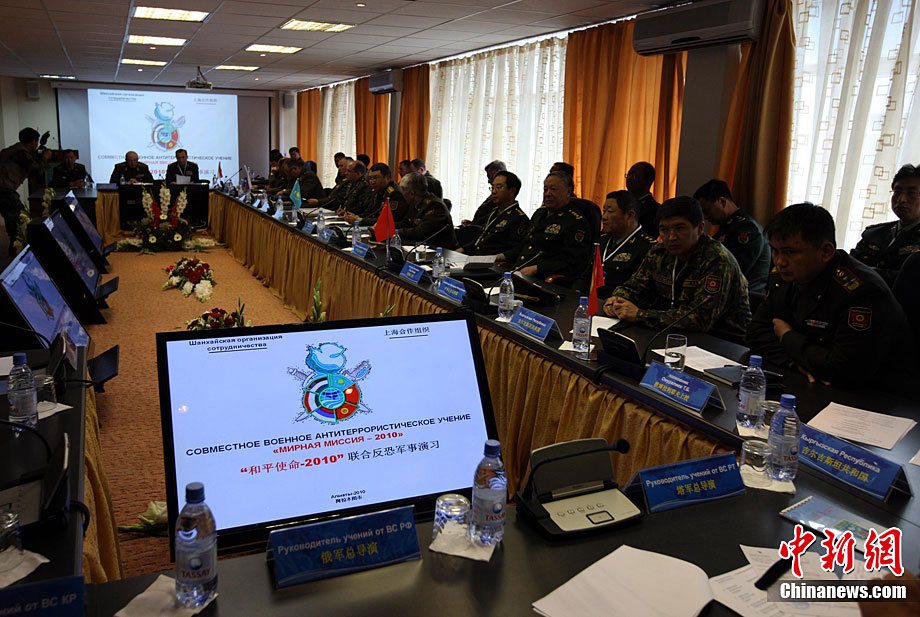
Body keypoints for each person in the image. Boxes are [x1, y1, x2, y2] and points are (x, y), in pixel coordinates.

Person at [747, 202, 914, 389]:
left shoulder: (861, 292)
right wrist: (794, 363)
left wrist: (786, 335)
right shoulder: (785, 276)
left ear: (826, 252)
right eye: (775, 251)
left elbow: (843, 368)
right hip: (813, 380)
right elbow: (755, 333)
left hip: (876, 394)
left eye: (790, 252)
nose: (779, 261)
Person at [607, 196, 751, 340]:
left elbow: (700, 319)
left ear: (700, 228)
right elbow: (634, 287)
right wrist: (617, 300)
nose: (671, 237)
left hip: (720, 340)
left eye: (680, 228)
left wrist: (640, 315)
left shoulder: (716, 259)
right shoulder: (659, 252)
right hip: (668, 332)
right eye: (664, 230)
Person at [497, 171, 592, 280]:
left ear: (568, 191)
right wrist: (500, 257)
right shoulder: (540, 214)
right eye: (545, 189)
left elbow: (575, 263)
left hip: (541, 280)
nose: (547, 194)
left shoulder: (575, 222)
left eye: (553, 189)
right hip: (517, 274)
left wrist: (538, 268)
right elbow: (524, 246)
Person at [693, 179, 770, 295]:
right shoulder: (728, 226)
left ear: (722, 201)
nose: (705, 217)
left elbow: (733, 268)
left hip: (747, 296)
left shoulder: (747, 228)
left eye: (707, 211)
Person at [573, 190, 656, 295]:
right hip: (589, 300)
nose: (604, 217)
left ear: (629, 215)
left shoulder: (647, 247)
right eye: (604, 211)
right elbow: (586, 276)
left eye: (610, 211)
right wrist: (575, 294)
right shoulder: (602, 240)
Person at [850, 163, 920, 287]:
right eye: (897, 192)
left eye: (911, 193)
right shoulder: (873, 234)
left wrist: (868, 273)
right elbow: (848, 266)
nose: (902, 199)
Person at [458, 171, 529, 255]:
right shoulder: (493, 212)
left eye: (498, 187)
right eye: (492, 187)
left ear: (512, 191)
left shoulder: (519, 218)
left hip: (494, 261)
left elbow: (516, 250)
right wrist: (459, 251)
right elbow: (480, 240)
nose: (494, 191)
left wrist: (497, 258)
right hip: (477, 258)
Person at [0, 127, 43, 254]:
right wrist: (45, 157)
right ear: (33, 142)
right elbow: (37, 170)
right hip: (4, 190)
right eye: (36, 142)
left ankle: (15, 246)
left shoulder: (10, 150)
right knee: (22, 218)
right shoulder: (21, 153)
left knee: (12, 218)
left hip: (4, 189)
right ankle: (18, 249)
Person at [394, 172, 457, 249]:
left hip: (442, 251)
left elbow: (421, 233)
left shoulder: (435, 206)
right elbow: (406, 223)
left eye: (403, 191)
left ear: (411, 194)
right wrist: (387, 227)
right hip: (422, 247)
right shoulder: (414, 203)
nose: (402, 194)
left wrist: (394, 232)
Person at [344, 163, 408, 228]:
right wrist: (354, 217)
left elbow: (388, 220)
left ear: (387, 177)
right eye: (370, 178)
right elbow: (370, 213)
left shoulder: (394, 193)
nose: (372, 182)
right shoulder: (376, 191)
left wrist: (361, 220)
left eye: (375, 178)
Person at [463, 160, 507, 226]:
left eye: (489, 177)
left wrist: (475, 226)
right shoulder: (495, 195)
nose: (488, 181)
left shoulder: (502, 198)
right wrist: (473, 224)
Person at [625, 161, 660, 237]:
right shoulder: (621, 202)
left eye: (633, 176)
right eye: (628, 175)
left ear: (648, 181)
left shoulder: (654, 209)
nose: (629, 179)